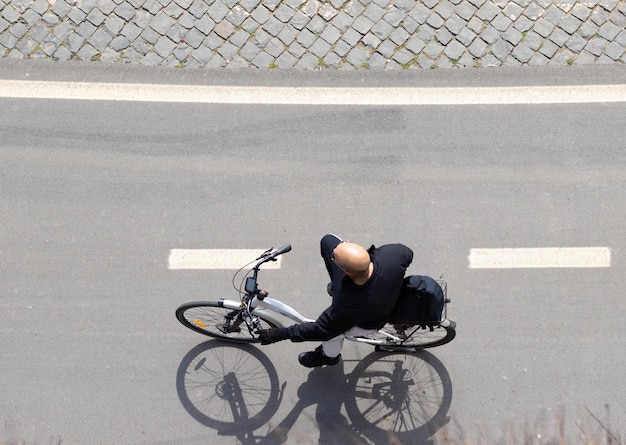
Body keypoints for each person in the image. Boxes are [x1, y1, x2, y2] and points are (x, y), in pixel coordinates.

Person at [257, 234, 413, 367]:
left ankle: (329, 357)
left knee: (332, 335)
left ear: (346, 271)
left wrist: (281, 333)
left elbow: (320, 330)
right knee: (329, 244)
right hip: (386, 294)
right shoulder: (393, 255)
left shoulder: (348, 305)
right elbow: (408, 253)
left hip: (369, 322)